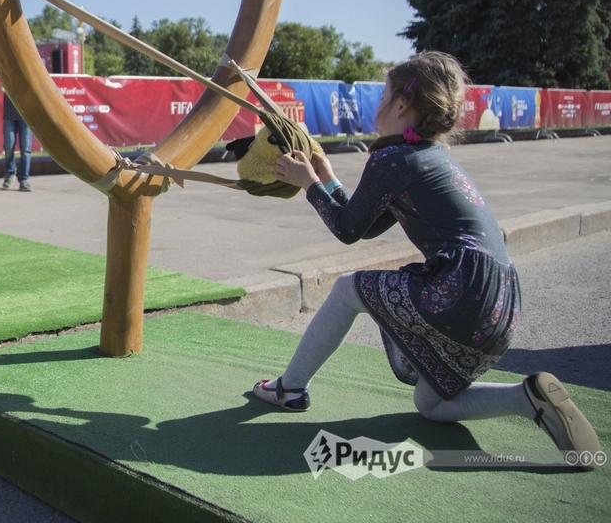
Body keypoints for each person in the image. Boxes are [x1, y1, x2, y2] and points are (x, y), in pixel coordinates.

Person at [254, 51, 600, 467]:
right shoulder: (428, 155)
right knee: (431, 404)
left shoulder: (392, 158)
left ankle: (289, 387)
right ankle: (527, 399)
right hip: (502, 304)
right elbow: (365, 225)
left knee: (348, 289)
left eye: (384, 96)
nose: (379, 106)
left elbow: (346, 230)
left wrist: (308, 185)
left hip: (461, 290)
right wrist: (325, 176)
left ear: (402, 104)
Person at [2, 89, 32, 191]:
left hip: (26, 115)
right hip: (10, 115)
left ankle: (24, 179)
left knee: (26, 149)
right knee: (8, 146)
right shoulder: (9, 78)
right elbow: (1, 88)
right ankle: (10, 173)